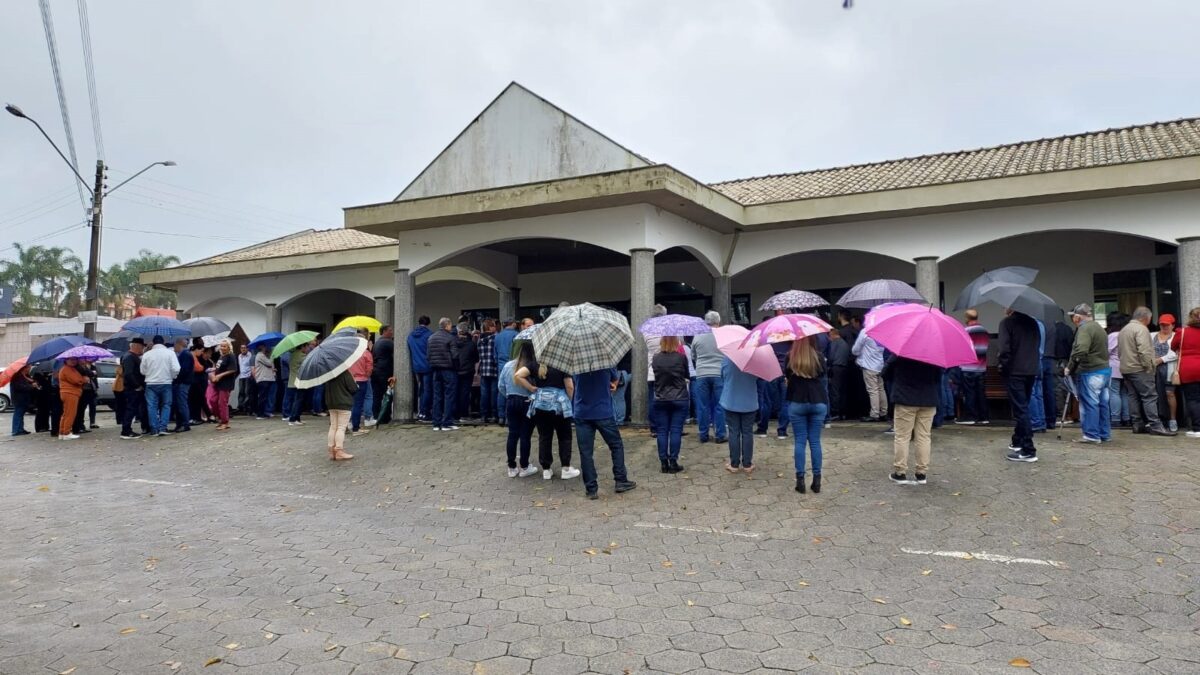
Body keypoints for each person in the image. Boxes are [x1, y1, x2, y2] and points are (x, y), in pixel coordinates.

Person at [572, 366, 637, 499]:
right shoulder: (606, 362)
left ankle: (591, 489)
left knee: (586, 452)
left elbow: (575, 382)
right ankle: (620, 480)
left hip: (582, 412)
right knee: (616, 445)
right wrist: (610, 385)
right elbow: (614, 380)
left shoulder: (576, 364)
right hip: (603, 412)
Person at [514, 351, 578, 480]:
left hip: (540, 405)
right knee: (564, 436)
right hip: (559, 406)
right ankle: (566, 468)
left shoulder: (534, 365)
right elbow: (569, 387)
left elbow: (518, 375)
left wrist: (531, 388)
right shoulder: (562, 365)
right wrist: (572, 403)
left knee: (544, 436)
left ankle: (546, 470)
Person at [887, 355, 943, 485]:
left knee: (902, 436)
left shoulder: (900, 353)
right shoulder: (934, 354)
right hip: (928, 399)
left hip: (905, 398)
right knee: (924, 436)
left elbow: (886, 372)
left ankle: (900, 472)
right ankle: (921, 473)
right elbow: (938, 377)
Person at [1120, 306, 1175, 436]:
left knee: (1132, 396)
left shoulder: (1124, 329)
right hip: (1140, 368)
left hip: (1126, 368)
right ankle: (1156, 425)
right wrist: (1149, 367)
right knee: (1149, 396)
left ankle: (1137, 424)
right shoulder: (1141, 329)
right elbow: (1144, 350)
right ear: (1146, 318)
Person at [785, 337, 827, 494]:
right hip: (818, 400)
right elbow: (823, 375)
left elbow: (787, 375)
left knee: (800, 441)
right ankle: (817, 480)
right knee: (815, 441)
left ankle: (800, 480)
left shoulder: (791, 356)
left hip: (797, 401)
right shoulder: (819, 356)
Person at [998, 309, 1041, 462]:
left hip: (1015, 371)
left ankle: (1028, 449)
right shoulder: (1033, 323)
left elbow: (1004, 349)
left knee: (1021, 410)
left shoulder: (1007, 323)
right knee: (1023, 407)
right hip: (1031, 369)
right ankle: (1018, 440)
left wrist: (1003, 366)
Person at [1066, 303, 1111, 445]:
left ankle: (1091, 434)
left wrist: (1070, 367)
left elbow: (1081, 350)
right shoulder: (1099, 328)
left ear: (1078, 318)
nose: (1073, 319)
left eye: (1073, 316)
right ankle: (1104, 433)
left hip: (1090, 372)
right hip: (1104, 371)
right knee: (1103, 404)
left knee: (1089, 404)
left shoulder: (1084, 329)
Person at [651, 335, 690, 474]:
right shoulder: (681, 357)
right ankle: (673, 461)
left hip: (660, 398)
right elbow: (687, 374)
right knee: (675, 430)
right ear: (676, 342)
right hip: (679, 397)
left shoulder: (656, 358)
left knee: (662, 431)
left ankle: (663, 463)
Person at [500, 342, 538, 478]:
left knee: (512, 434)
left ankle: (511, 467)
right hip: (527, 402)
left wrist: (510, 396)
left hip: (511, 401)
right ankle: (524, 466)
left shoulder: (507, 365)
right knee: (525, 435)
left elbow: (501, 386)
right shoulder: (532, 367)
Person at [689, 312, 726, 443]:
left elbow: (693, 356)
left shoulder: (697, 336)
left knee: (702, 405)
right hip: (718, 373)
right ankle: (720, 434)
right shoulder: (723, 335)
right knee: (720, 405)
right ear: (718, 322)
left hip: (702, 374)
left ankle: (703, 434)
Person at [720, 356, 759, 473]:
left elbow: (723, 376)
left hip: (731, 400)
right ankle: (747, 464)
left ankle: (734, 464)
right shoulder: (755, 360)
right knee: (747, 432)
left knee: (733, 432)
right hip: (749, 401)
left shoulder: (727, 359)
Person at [141, 335, 181, 436]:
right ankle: (163, 427)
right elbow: (176, 368)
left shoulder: (147, 354)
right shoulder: (170, 353)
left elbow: (142, 371)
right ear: (163, 342)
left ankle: (154, 429)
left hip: (151, 383)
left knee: (151, 406)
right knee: (166, 405)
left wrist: (149, 374)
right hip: (166, 382)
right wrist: (172, 376)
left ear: (153, 343)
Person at [956, 309, 990, 425]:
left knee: (969, 392)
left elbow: (961, 349)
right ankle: (983, 417)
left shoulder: (966, 331)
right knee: (980, 393)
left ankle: (970, 416)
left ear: (967, 318)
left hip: (968, 367)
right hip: (981, 367)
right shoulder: (984, 331)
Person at [1170, 308, 1200, 438]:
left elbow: (1173, 346)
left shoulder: (1182, 332)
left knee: (1193, 399)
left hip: (1188, 369)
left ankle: (1197, 428)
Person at [428, 317, 460, 431]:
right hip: (448, 369)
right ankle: (447, 422)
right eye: (450, 325)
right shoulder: (450, 338)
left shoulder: (431, 338)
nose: (451, 327)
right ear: (447, 326)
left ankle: (436, 423)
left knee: (437, 396)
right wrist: (457, 368)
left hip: (435, 370)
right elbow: (455, 355)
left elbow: (428, 355)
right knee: (449, 395)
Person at [852, 330, 887, 422]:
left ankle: (874, 414)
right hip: (880, 365)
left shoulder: (866, 332)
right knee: (881, 389)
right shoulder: (883, 332)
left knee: (873, 390)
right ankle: (884, 412)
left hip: (869, 365)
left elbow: (855, 350)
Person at [1153, 314, 1179, 431]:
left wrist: (1160, 359)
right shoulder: (1152, 335)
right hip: (1153, 370)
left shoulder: (1176, 336)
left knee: (1170, 393)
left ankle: (1173, 419)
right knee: (1155, 394)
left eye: (1167, 325)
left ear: (1173, 325)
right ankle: (1158, 419)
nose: (1164, 327)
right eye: (1162, 324)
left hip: (1169, 369)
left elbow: (1176, 353)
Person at [323, 369, 357, 461]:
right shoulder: (344, 372)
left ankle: (331, 450)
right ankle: (339, 451)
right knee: (341, 427)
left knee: (333, 426)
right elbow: (353, 388)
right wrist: (354, 381)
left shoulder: (327, 373)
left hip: (331, 403)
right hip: (343, 402)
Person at [1106, 312, 1132, 428]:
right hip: (1125, 366)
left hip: (1114, 367)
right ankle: (1126, 418)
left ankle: (1115, 418)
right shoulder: (1126, 334)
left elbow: (1106, 352)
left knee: (1114, 393)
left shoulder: (1113, 336)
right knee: (1124, 393)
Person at [120, 338, 148, 440]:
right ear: (137, 346)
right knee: (131, 409)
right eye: (142, 347)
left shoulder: (132, 357)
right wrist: (137, 385)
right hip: (132, 388)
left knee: (133, 408)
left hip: (134, 388)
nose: (143, 349)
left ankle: (127, 429)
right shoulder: (129, 357)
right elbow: (128, 374)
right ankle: (126, 430)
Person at [406, 317, 432, 421]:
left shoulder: (410, 335)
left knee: (421, 389)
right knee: (428, 389)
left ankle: (420, 412)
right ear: (428, 323)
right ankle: (425, 412)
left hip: (416, 366)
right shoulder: (429, 335)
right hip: (428, 365)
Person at [493, 319, 519, 423]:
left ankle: (501, 416)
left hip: (500, 364)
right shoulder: (516, 335)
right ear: (513, 324)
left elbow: (495, 353)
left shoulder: (497, 336)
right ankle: (509, 417)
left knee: (501, 389)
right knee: (512, 390)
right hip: (512, 363)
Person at [56, 357, 88, 441]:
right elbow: (77, 380)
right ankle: (66, 433)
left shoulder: (69, 368)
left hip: (68, 392)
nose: (74, 361)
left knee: (66, 413)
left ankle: (62, 432)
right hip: (70, 393)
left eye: (75, 359)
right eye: (71, 359)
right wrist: (84, 379)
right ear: (66, 360)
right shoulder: (67, 369)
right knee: (70, 413)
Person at [210, 340, 239, 430]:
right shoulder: (221, 356)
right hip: (217, 382)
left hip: (226, 383)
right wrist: (213, 372)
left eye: (224, 346)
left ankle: (225, 422)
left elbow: (233, 369)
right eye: (221, 346)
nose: (222, 348)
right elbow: (218, 368)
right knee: (212, 400)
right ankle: (220, 418)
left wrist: (219, 375)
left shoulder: (231, 356)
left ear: (229, 347)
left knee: (222, 402)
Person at [454, 323, 479, 422]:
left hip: (456, 370)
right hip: (468, 370)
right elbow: (476, 358)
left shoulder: (454, 342)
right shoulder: (471, 344)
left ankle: (455, 413)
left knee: (455, 391)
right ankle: (463, 414)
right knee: (465, 393)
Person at [349, 338, 374, 435]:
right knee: (358, 404)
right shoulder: (366, 353)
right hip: (362, 380)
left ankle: (350, 423)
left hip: (350, 380)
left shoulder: (350, 353)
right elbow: (369, 369)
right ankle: (356, 428)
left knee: (352, 403)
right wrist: (366, 376)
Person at [371, 325, 395, 424]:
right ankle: (385, 417)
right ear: (384, 331)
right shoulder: (388, 342)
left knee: (376, 396)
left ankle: (376, 416)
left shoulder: (377, 343)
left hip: (376, 372)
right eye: (390, 330)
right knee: (387, 395)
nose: (392, 332)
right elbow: (399, 351)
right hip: (384, 372)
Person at [477, 319, 500, 425]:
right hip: (493, 368)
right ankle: (495, 415)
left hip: (483, 369)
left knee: (484, 394)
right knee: (494, 393)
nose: (495, 327)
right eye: (494, 326)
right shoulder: (495, 338)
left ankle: (484, 415)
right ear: (490, 327)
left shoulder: (479, 339)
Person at [285, 342, 312, 426]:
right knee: (298, 401)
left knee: (297, 400)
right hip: (299, 381)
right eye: (307, 347)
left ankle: (297, 418)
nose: (308, 349)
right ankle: (293, 419)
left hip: (292, 381)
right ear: (302, 347)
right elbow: (310, 364)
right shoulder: (301, 356)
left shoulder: (293, 354)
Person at [826, 328, 850, 421]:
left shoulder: (834, 343)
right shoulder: (844, 343)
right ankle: (843, 412)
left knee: (835, 390)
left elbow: (831, 357)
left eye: (829, 336)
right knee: (842, 390)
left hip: (836, 368)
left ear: (832, 334)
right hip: (844, 367)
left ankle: (835, 412)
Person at [171, 338, 194, 433]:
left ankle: (185, 424)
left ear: (178, 344)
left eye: (174, 345)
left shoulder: (185, 354)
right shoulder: (184, 354)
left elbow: (184, 370)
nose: (173, 348)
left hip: (182, 383)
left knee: (181, 403)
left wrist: (176, 379)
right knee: (178, 403)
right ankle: (180, 423)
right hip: (182, 382)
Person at [10, 364, 35, 436]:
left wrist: (31, 381)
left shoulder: (25, 376)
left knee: (21, 414)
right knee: (18, 413)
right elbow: (20, 387)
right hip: (19, 398)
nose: (30, 369)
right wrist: (31, 386)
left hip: (24, 398)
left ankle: (20, 429)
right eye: (29, 368)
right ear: (25, 368)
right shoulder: (17, 376)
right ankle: (16, 430)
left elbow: (29, 383)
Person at [189, 345, 212, 424]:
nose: (209, 355)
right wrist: (205, 369)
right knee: (199, 399)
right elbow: (198, 368)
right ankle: (207, 415)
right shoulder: (195, 357)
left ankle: (199, 417)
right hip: (197, 381)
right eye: (202, 351)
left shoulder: (206, 360)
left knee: (199, 399)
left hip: (201, 381)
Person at [253, 345, 277, 419]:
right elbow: (269, 363)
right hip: (263, 379)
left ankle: (263, 412)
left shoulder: (263, 355)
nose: (267, 348)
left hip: (265, 378)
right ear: (262, 348)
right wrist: (272, 356)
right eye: (265, 347)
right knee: (262, 397)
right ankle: (260, 414)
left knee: (264, 397)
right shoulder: (260, 355)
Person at [236, 344, 255, 415]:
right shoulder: (239, 356)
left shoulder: (250, 355)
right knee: (241, 392)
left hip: (248, 376)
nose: (243, 349)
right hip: (241, 376)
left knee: (247, 392)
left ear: (248, 349)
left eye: (244, 348)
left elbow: (252, 366)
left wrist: (251, 375)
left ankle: (246, 407)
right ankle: (240, 407)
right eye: (242, 348)